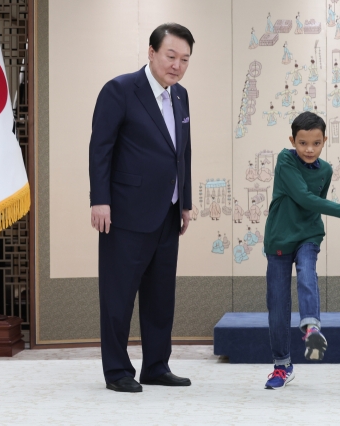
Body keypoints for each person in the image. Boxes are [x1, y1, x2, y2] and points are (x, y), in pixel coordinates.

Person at [89, 23, 195, 393]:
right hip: (124, 212)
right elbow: (100, 148)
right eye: (171, 56)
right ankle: (117, 370)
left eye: (184, 59)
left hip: (168, 211)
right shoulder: (120, 90)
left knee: (160, 295)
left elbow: (183, 153)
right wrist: (99, 199)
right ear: (151, 52)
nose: (177, 65)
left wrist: (186, 202)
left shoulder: (180, 96)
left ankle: (156, 365)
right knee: (119, 295)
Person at [263, 112, 340, 390]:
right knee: (278, 305)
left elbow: (315, 204)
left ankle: (312, 328)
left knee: (307, 271)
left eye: (316, 143)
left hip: (308, 235)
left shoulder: (326, 170)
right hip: (280, 238)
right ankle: (282, 366)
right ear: (293, 140)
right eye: (303, 143)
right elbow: (304, 198)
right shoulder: (285, 160)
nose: (309, 149)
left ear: (324, 141)